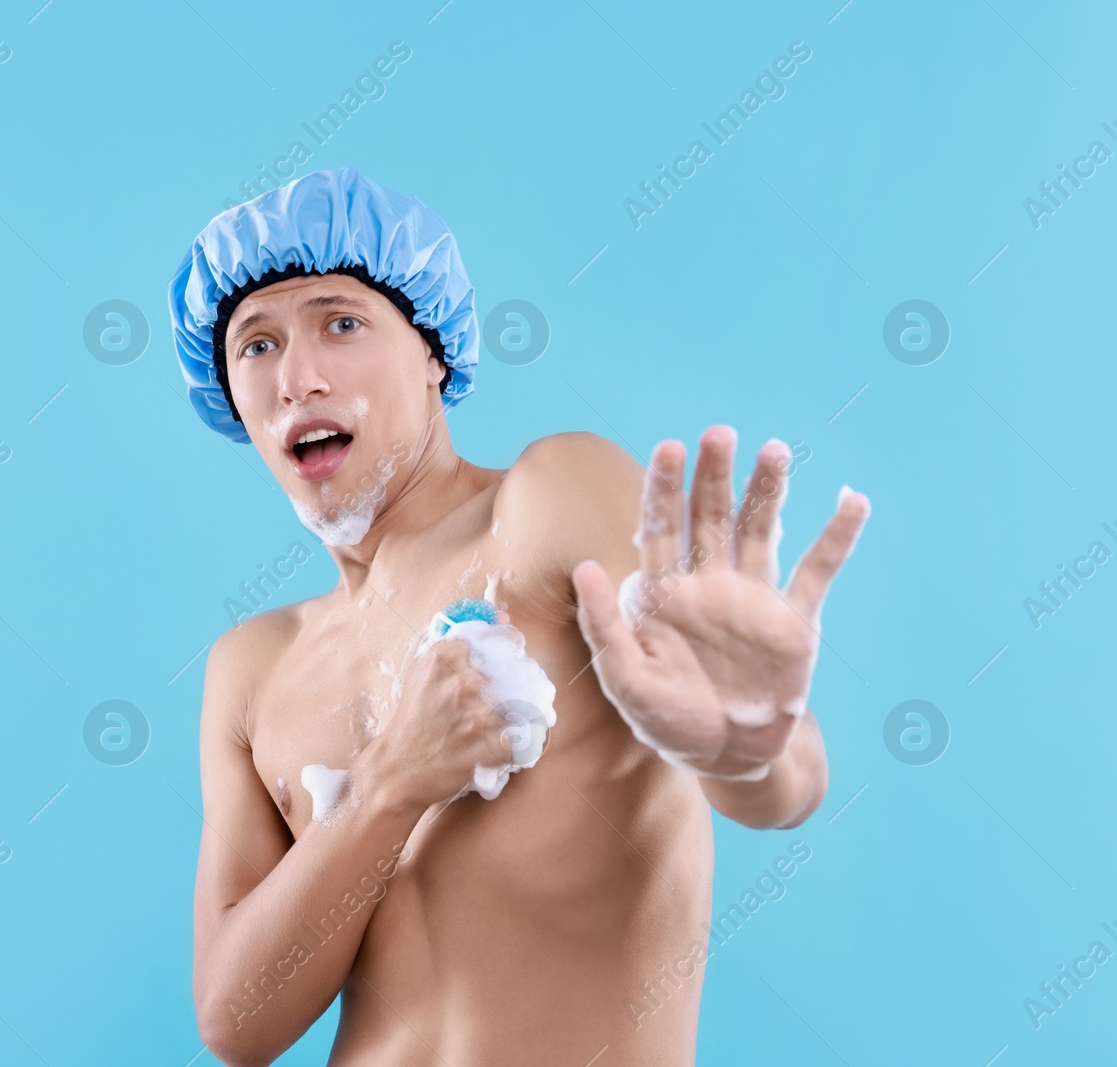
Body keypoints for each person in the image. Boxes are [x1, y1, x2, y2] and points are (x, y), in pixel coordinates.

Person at [167, 167, 870, 1066]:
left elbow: (781, 779)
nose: (295, 377)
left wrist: (751, 742)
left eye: (340, 323)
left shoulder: (546, 503)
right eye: (255, 346)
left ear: (432, 352)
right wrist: (389, 786)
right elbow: (237, 1021)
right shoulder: (253, 667)